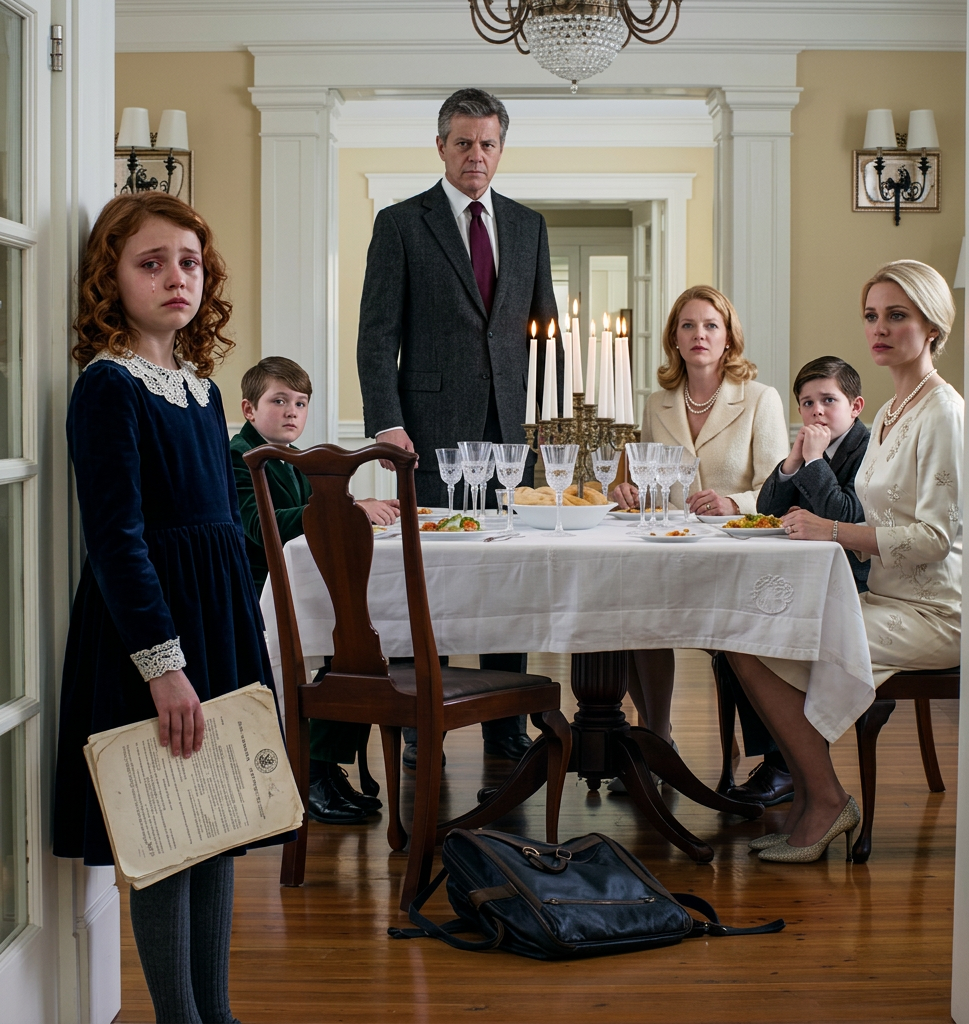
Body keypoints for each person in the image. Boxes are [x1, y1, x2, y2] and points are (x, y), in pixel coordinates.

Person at [53, 192, 288, 1023]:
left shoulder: (204, 390)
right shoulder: (107, 388)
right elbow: (116, 541)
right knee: (166, 832)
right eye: (150, 264)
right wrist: (163, 664)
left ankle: (215, 1013)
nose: (174, 278)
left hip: (219, 624)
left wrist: (244, 632)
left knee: (218, 819)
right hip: (156, 638)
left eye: (188, 263)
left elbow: (225, 529)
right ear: (111, 280)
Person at [729, 259, 963, 863]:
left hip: (935, 612)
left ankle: (826, 801)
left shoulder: (944, 411)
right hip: (882, 595)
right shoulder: (889, 412)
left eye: (896, 315)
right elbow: (870, 512)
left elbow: (936, 538)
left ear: (932, 326)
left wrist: (831, 531)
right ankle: (814, 799)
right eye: (871, 315)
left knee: (756, 641)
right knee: (744, 633)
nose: (879, 328)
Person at [356, 87, 561, 767]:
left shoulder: (529, 226)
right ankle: (424, 723)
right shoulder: (400, 223)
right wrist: (386, 423)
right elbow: (376, 334)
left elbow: (545, 334)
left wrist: (549, 419)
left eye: (488, 143)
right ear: (441, 146)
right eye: (465, 142)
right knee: (430, 575)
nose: (477, 154)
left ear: (501, 149)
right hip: (427, 431)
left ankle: (506, 724)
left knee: (509, 575)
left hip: (511, 432)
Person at [612, 285, 789, 750]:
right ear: (674, 337)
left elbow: (779, 490)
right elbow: (649, 481)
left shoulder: (760, 399)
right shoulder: (657, 403)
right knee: (630, 613)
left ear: (728, 336)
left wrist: (735, 504)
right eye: (688, 325)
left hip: (734, 555)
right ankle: (657, 739)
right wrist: (629, 492)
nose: (699, 335)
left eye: (711, 325)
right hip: (669, 550)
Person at [230, 356, 397, 824]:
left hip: (298, 582)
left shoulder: (293, 459)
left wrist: (356, 509)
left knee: (365, 647)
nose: (291, 411)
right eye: (279, 401)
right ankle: (312, 772)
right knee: (354, 653)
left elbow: (317, 514)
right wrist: (349, 512)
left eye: (300, 403)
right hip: (259, 588)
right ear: (248, 408)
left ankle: (323, 768)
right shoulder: (241, 458)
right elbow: (258, 525)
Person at [721, 356, 871, 807]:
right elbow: (767, 509)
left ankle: (786, 764)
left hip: (855, 578)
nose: (817, 411)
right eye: (807, 403)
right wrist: (792, 461)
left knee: (755, 632)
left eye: (829, 400)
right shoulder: (810, 448)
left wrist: (814, 461)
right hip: (809, 574)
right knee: (732, 629)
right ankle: (781, 757)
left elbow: (847, 516)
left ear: (855, 406)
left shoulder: (866, 449)